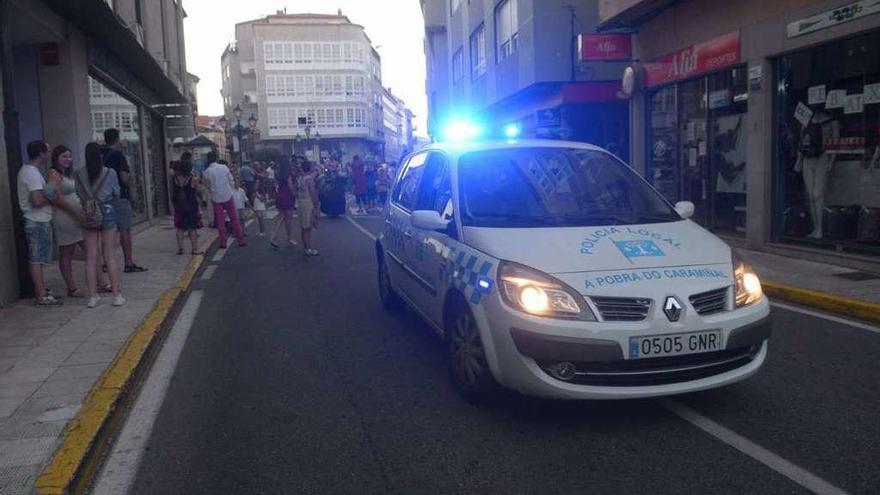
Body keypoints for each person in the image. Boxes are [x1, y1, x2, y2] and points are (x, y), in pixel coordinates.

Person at [76, 142, 125, 308]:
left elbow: (79, 195)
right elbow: (116, 192)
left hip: (89, 212)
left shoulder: (79, 173)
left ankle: (93, 296)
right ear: (100, 156)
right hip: (107, 210)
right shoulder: (109, 172)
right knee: (109, 255)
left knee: (90, 257)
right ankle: (117, 295)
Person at [17, 141, 66, 305]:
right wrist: (51, 194)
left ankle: (42, 289)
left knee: (40, 258)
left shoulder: (30, 171)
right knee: (37, 259)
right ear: (41, 153)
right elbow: (37, 200)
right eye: (48, 151)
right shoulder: (31, 173)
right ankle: (41, 294)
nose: (48, 155)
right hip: (36, 220)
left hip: (38, 220)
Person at [102, 128, 147, 273]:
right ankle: (128, 262)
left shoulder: (101, 154)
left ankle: (105, 262)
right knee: (124, 230)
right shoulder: (118, 155)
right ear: (117, 139)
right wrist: (130, 177)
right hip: (119, 197)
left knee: (108, 232)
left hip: (103, 198)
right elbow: (124, 178)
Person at [45, 145, 86, 298]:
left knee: (90, 247)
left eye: (69, 156)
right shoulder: (53, 173)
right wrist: (75, 212)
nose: (68, 159)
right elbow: (52, 195)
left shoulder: (68, 174)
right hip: (64, 218)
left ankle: (99, 281)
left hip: (77, 217)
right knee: (67, 253)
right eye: (64, 156)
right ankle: (71, 287)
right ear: (56, 158)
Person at [202, 151, 246, 248]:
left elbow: (207, 186)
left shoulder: (206, 172)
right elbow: (231, 180)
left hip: (216, 198)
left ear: (208, 160)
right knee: (234, 218)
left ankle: (223, 242)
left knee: (220, 221)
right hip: (228, 195)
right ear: (216, 158)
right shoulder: (224, 167)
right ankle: (241, 239)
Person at [171, 158, 203, 255]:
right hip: (191, 206)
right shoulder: (192, 179)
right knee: (192, 228)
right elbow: (198, 190)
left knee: (179, 228)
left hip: (178, 206)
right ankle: (194, 249)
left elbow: (172, 192)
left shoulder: (174, 178)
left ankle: (180, 248)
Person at [269, 157, 297, 249]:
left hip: (280, 195)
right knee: (289, 218)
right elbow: (290, 186)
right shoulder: (288, 174)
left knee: (280, 216)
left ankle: (273, 236)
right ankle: (289, 239)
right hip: (287, 196)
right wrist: (295, 194)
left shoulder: (278, 173)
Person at [296, 161, 320, 256]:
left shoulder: (301, 178)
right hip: (308, 203)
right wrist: (316, 205)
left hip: (300, 203)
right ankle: (308, 248)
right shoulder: (309, 179)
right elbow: (313, 193)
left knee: (303, 226)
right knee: (307, 227)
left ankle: (305, 247)